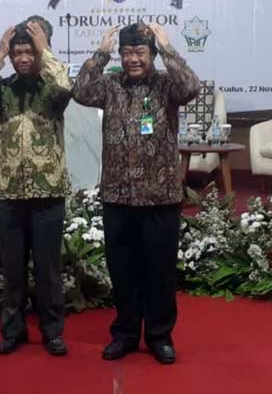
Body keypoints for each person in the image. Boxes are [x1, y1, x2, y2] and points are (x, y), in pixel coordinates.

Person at [72, 22, 200, 365]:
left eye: (140, 52)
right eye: (127, 52)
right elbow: (81, 92)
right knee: (123, 271)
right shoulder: (111, 85)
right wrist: (101, 53)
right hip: (118, 196)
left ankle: (160, 336)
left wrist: (167, 46)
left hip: (160, 196)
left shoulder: (165, 85)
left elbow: (191, 86)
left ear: (152, 55)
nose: (132, 59)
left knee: (159, 273)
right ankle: (126, 334)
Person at [0, 16, 72, 356]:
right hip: (9, 192)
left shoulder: (51, 89)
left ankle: (52, 331)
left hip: (48, 191)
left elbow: (66, 87)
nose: (23, 58)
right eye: (18, 53)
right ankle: (13, 331)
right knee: (12, 269)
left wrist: (47, 52)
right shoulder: (4, 89)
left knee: (48, 270)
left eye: (29, 52)